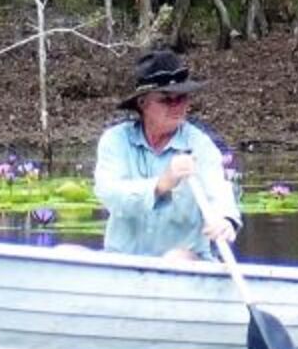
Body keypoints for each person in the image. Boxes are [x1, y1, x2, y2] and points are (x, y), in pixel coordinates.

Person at [89, 50, 241, 260]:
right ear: (143, 103)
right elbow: (110, 194)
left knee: (175, 259)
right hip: (122, 260)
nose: (177, 106)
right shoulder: (115, 140)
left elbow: (219, 190)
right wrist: (160, 185)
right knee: (64, 254)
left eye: (182, 98)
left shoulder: (200, 144)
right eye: (166, 99)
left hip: (188, 260)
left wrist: (226, 220)